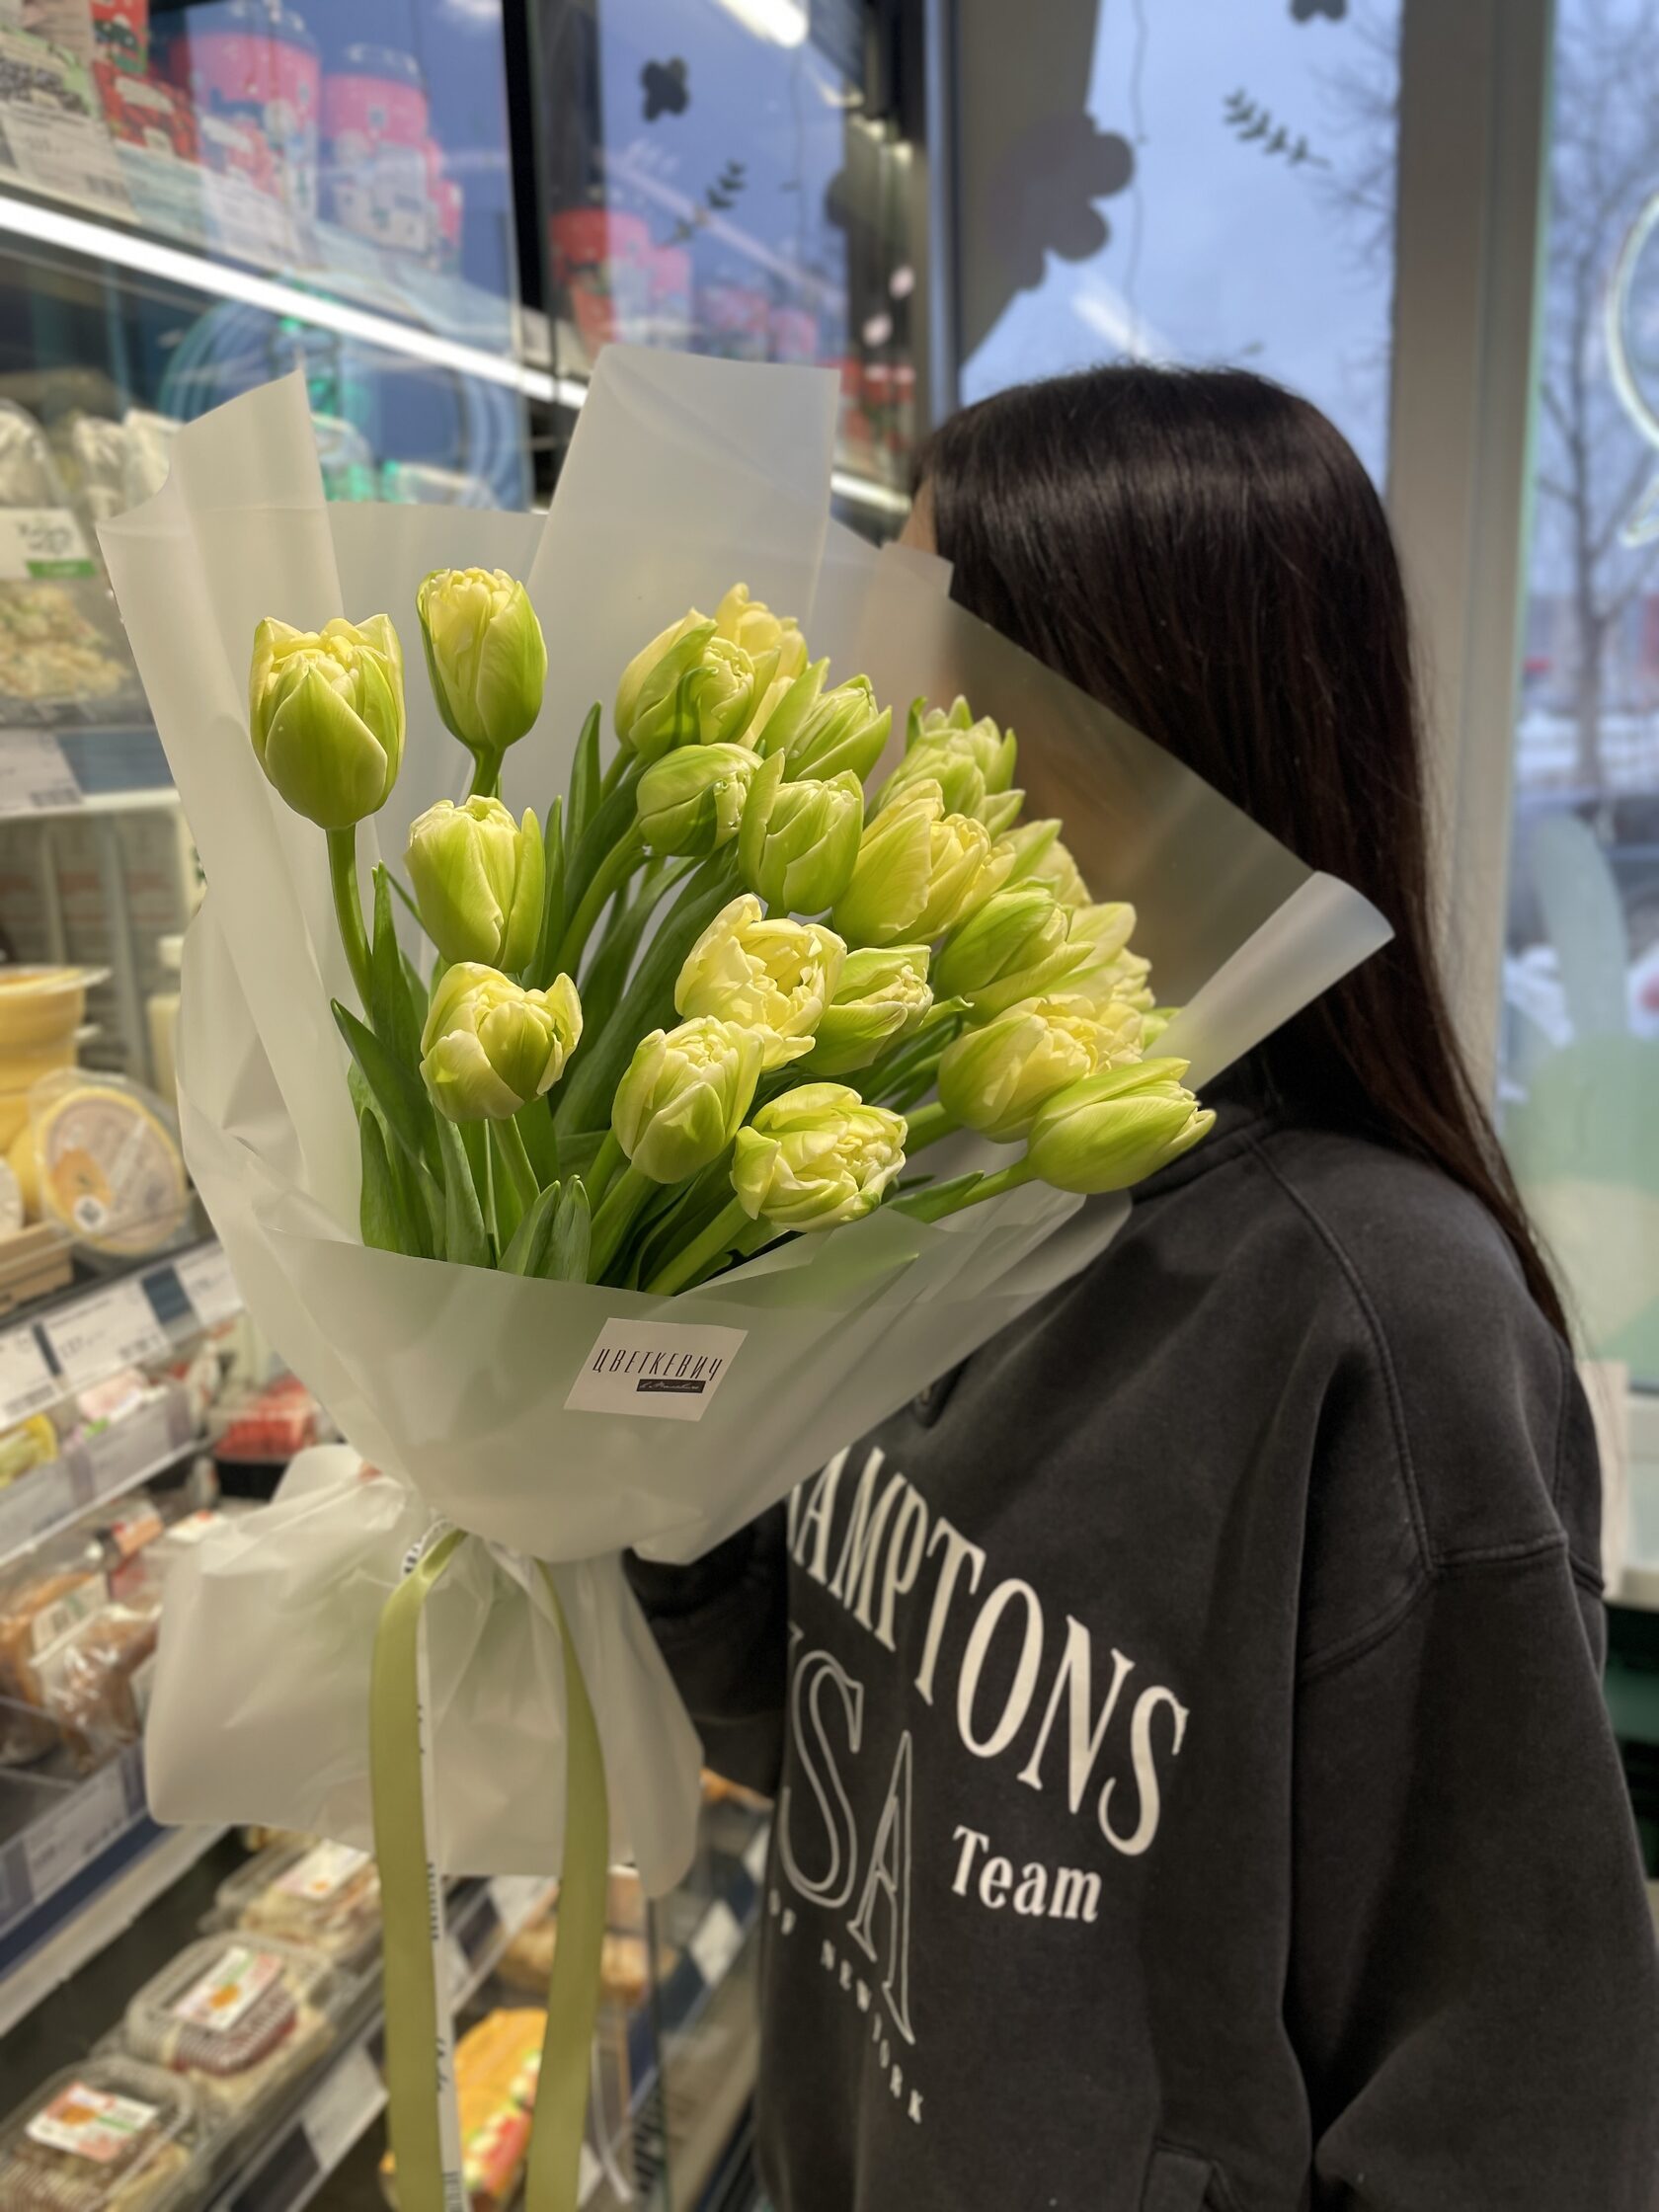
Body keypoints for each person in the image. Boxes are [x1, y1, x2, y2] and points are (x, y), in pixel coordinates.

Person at [628, 366, 1659, 2211]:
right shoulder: (926, 1166)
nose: (868, 728)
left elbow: (1509, 2116)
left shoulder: (1385, 1318)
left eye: (931, 657)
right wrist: (623, 1437)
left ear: (1138, 727)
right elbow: (832, 1737)